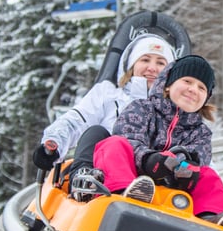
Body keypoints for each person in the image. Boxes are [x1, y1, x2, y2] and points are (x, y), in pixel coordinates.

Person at [88, 55, 223, 231]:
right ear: (167, 84)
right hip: (133, 175)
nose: (193, 89)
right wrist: (149, 159)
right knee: (113, 144)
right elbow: (128, 136)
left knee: (208, 174)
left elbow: (199, 158)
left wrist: (184, 169)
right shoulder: (141, 108)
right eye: (187, 81)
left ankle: (212, 217)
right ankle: (121, 193)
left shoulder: (201, 133)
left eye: (201, 88)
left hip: (173, 190)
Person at [31, 33, 175, 197]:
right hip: (102, 171)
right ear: (131, 65)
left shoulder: (173, 110)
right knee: (97, 132)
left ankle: (142, 196)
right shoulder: (108, 94)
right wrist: (53, 143)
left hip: (151, 176)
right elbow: (76, 120)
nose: (152, 68)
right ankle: (83, 180)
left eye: (161, 63)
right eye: (145, 60)